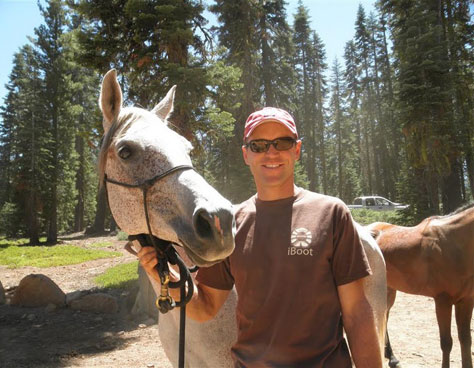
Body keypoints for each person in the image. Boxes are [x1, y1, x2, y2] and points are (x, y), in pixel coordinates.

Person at [139, 107, 383, 367]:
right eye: (259, 145)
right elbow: (206, 307)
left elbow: (357, 311)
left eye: (283, 142)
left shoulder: (331, 213)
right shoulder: (232, 224)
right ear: (246, 154)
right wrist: (171, 281)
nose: (271, 152)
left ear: (296, 150)